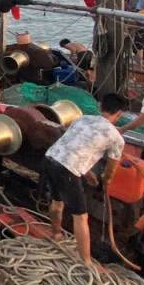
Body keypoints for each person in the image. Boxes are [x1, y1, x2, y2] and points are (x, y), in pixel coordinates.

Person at [43, 93, 127, 265]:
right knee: (81, 217)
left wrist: (88, 175)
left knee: (57, 202)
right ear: (119, 114)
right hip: (67, 168)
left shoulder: (83, 119)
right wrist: (104, 180)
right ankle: (86, 262)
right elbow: (110, 171)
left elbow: (75, 145)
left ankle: (56, 234)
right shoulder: (116, 138)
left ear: (100, 106)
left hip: (50, 158)